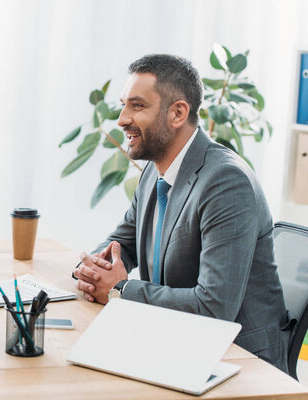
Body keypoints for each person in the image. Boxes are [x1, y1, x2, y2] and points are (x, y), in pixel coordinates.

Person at [73, 54, 293, 372]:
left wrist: (121, 290)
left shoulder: (226, 181)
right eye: (123, 105)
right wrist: (94, 270)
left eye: (137, 106)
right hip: (175, 340)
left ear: (178, 113)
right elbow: (125, 242)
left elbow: (213, 308)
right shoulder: (154, 172)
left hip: (240, 361)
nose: (121, 119)